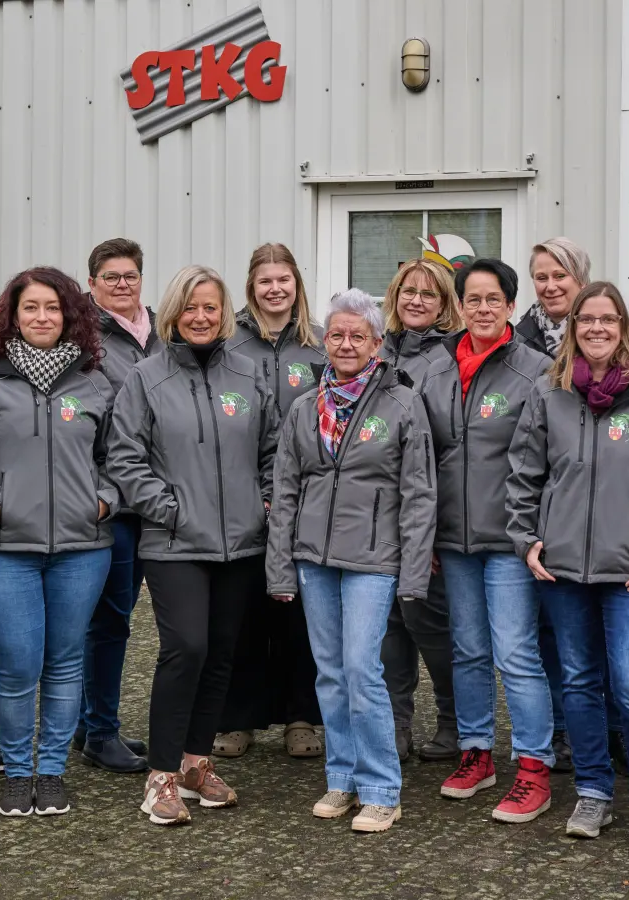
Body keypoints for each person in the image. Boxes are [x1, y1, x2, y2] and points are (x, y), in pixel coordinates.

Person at [506, 281, 629, 853]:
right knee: (579, 683)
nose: (596, 328)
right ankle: (593, 791)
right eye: (586, 320)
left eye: (607, 319)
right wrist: (527, 541)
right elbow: (523, 476)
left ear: (623, 327)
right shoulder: (551, 392)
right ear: (574, 328)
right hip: (563, 570)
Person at [106, 264, 278, 826]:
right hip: (175, 543)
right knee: (187, 651)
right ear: (174, 312)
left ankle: (195, 763)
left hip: (241, 545)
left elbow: (274, 447)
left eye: (210, 307)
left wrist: (266, 500)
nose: (200, 317)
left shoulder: (250, 373)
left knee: (223, 655)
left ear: (223, 311)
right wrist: (168, 509)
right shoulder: (147, 377)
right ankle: (159, 777)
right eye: (190, 307)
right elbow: (124, 456)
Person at [0, 266, 118, 818]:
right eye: (31, 308)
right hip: (4, 550)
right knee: (19, 664)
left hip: (82, 549)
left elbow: (119, 457)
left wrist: (104, 500)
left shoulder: (95, 381)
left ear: (69, 315)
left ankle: (52, 773)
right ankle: (18, 772)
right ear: (13, 315)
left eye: (53, 308)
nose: (42, 317)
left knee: (66, 662)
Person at [266, 288, 436, 833]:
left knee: (364, 670)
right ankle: (342, 780)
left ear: (377, 344)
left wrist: (412, 571)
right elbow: (285, 490)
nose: (345, 344)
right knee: (331, 674)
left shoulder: (403, 404)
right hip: (314, 557)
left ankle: (382, 788)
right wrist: (279, 566)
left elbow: (419, 494)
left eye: (356, 335)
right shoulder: (302, 408)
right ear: (324, 341)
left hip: (373, 557)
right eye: (336, 335)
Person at [418, 259, 557, 823]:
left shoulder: (538, 372)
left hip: (510, 539)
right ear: (460, 305)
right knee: (468, 649)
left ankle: (533, 767)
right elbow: (419, 459)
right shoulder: (432, 369)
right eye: (471, 299)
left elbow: (552, 459)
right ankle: (477, 753)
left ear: (508, 304)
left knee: (517, 654)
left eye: (492, 299)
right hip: (452, 538)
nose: (481, 308)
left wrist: (536, 534)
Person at [215, 243, 327, 760]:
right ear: (251, 287)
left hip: (309, 502)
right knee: (243, 612)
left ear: (296, 285)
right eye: (265, 281)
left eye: (284, 279)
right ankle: (238, 718)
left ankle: (301, 716)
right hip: (241, 496)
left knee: (298, 612)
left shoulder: (321, 345)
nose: (275, 289)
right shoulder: (227, 344)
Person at [375, 258, 464, 762]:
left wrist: (427, 531)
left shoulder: (450, 358)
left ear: (444, 303)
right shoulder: (375, 346)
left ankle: (453, 721)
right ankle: (396, 723)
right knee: (389, 623)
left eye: (428, 294)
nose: (416, 300)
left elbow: (445, 449)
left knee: (428, 619)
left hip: (424, 512)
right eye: (408, 290)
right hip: (375, 512)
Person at [76, 237, 157, 773]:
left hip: (161, 500)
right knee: (110, 621)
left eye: (129, 275)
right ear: (93, 284)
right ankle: (100, 729)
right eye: (111, 277)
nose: (121, 285)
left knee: (118, 619)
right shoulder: (87, 341)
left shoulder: (162, 334)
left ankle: (87, 722)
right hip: (118, 503)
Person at [523, 237, 593, 774]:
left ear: (581, 280)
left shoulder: (603, 330)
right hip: (537, 507)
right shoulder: (518, 339)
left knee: (595, 631)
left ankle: (603, 728)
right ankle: (562, 733)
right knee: (548, 629)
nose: (550, 286)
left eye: (560, 277)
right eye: (541, 276)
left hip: (592, 509)